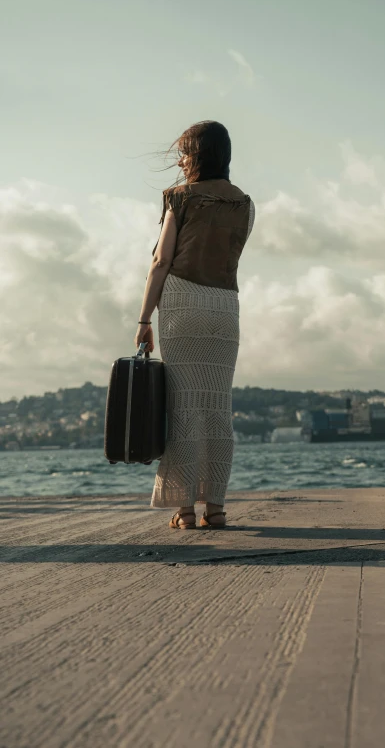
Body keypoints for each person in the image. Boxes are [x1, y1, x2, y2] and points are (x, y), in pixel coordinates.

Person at [135, 121, 255, 529]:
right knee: (217, 408)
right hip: (224, 304)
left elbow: (161, 262)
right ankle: (216, 508)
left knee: (183, 405)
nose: (180, 160)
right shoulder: (245, 203)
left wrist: (144, 317)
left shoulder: (179, 198)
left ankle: (185, 510)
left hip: (183, 302)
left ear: (198, 154)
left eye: (184, 152)